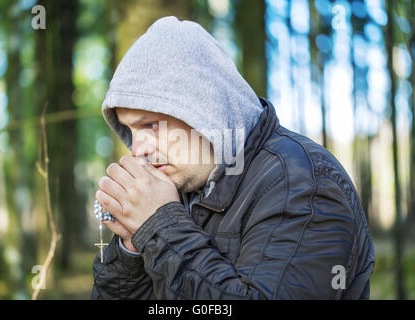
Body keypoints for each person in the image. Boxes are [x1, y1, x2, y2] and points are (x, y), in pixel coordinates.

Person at [92, 16, 375, 300]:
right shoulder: (180, 191)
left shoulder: (304, 184)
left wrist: (159, 225)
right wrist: (132, 245)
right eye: (129, 130)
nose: (136, 150)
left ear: (203, 109)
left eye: (150, 125)